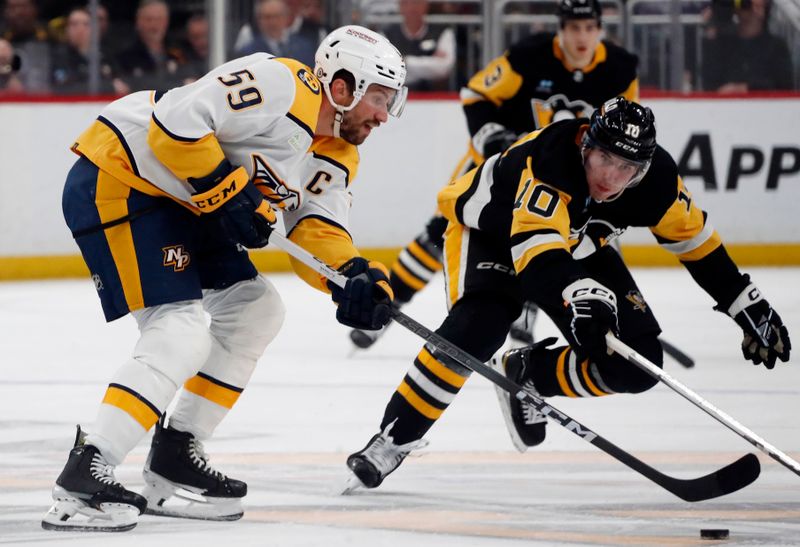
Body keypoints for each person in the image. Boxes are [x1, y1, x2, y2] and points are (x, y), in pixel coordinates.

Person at [42, 24, 407, 531]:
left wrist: (353, 276)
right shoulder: (281, 83)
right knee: (180, 326)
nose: (384, 115)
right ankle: (85, 471)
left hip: (186, 205)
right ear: (342, 87)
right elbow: (173, 119)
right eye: (380, 98)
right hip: (123, 178)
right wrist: (226, 191)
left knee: (256, 309)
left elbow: (315, 230)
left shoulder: (339, 152)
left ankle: (175, 451)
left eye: (393, 101)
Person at [343, 96, 792, 491]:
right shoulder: (552, 159)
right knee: (477, 329)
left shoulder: (657, 182)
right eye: (606, 160)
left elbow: (695, 242)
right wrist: (580, 293)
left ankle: (530, 374)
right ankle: (393, 440)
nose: (612, 178)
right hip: (491, 233)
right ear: (586, 145)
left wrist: (743, 302)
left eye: (628, 168)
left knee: (637, 366)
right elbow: (536, 260)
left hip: (575, 243)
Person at [349, 0, 638, 349]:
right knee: (440, 231)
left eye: (590, 28)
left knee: (550, 243)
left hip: (562, 180)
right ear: (560, 28)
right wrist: (491, 135)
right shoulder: (528, 55)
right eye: (574, 28)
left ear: (600, 30)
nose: (582, 37)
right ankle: (388, 305)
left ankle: (524, 322)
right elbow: (475, 93)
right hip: (501, 167)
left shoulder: (620, 69)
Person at [701, 0, 793, 92]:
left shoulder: (776, 47)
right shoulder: (723, 46)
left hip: (765, 104)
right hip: (727, 104)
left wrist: (746, 88)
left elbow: (783, 85)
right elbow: (709, 82)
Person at [113, 0, 186, 92]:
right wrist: (180, 84)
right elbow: (127, 85)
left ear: (167, 22)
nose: (154, 25)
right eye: (149, 19)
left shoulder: (178, 53)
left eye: (159, 19)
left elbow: (192, 80)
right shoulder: (125, 56)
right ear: (138, 22)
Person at [382, 0, 456, 91]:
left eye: (416, 3)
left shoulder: (442, 31)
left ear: (426, 5)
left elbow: (444, 67)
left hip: (436, 96)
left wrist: (404, 62)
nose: (411, 8)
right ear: (400, 7)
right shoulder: (387, 34)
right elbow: (383, 66)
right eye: (406, 3)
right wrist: (430, 64)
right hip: (396, 93)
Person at [50, 6, 118, 95]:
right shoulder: (58, 56)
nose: (80, 29)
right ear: (67, 29)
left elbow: (121, 83)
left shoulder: (105, 55)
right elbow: (61, 89)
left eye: (86, 24)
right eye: (74, 24)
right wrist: (109, 87)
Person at [237, 0, 319, 67]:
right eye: (267, 17)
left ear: (286, 18)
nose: (273, 22)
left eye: (277, 16)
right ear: (259, 20)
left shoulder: (304, 47)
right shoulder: (248, 52)